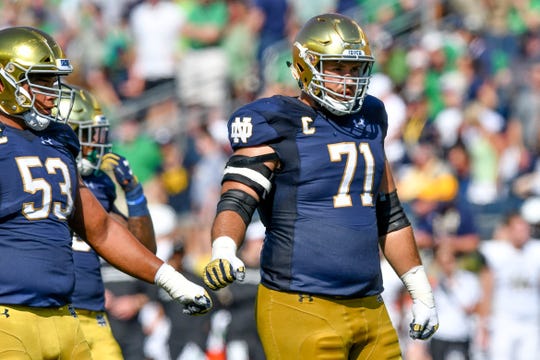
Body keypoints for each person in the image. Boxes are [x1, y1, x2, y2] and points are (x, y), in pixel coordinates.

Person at [202, 13, 438, 359]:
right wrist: (224, 247)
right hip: (301, 304)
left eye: (354, 70)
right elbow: (238, 197)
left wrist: (420, 290)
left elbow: (389, 212)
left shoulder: (370, 117)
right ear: (304, 67)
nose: (347, 80)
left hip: (370, 307)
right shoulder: (275, 120)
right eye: (337, 69)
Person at [0, 26, 211, 359]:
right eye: (40, 79)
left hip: (64, 318)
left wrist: (169, 277)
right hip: (8, 318)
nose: (52, 92)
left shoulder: (58, 139)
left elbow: (101, 227)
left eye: (53, 80)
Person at [56, 85, 156, 359]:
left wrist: (134, 195)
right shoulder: (35, 172)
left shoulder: (100, 183)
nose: (95, 144)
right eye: (88, 135)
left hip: (94, 314)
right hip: (50, 312)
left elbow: (144, 248)